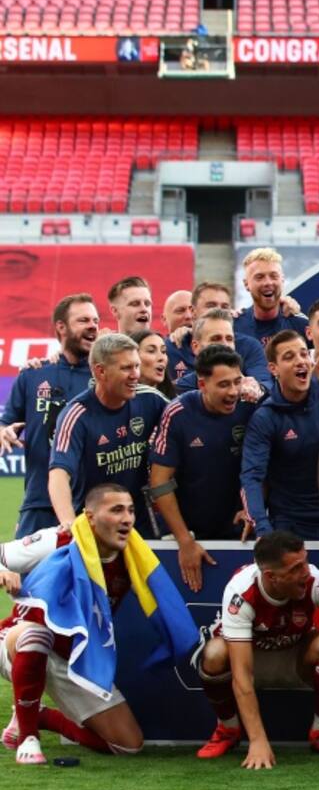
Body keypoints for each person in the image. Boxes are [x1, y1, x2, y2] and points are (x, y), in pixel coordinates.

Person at [0, 484, 195, 764]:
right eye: (116, 510)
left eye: (130, 510)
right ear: (90, 517)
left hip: (73, 657)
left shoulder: (133, 555)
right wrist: (4, 572)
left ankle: (37, 715)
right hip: (16, 641)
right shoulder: (60, 539)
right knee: (36, 635)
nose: (127, 518)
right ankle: (28, 737)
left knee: (128, 745)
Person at [194, 531, 319, 768]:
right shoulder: (241, 592)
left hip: (295, 656)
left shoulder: (315, 580)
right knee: (214, 653)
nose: (306, 572)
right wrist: (258, 741)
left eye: (305, 561)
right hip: (251, 661)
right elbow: (242, 676)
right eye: (296, 568)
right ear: (271, 577)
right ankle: (229, 729)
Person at [148, 346, 257, 590]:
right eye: (223, 385)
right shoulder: (177, 413)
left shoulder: (250, 405)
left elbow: (264, 466)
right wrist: (184, 540)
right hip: (191, 531)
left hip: (240, 530)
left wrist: (253, 508)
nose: (233, 392)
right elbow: (159, 482)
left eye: (237, 382)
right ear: (202, 384)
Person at [48, 334, 169, 536]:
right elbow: (59, 473)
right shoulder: (76, 415)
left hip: (140, 529)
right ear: (100, 371)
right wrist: (69, 523)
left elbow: (185, 420)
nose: (135, 375)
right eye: (126, 368)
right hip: (94, 530)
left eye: (136, 366)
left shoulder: (150, 399)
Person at [1, 294, 98, 535]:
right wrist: (3, 432)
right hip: (39, 502)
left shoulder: (103, 378)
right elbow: (6, 422)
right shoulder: (32, 375)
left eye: (95, 320)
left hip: (93, 505)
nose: (92, 326)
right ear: (61, 327)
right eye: (83, 320)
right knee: (29, 573)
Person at [241, 330, 319, 541]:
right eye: (289, 357)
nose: (300, 361)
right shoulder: (265, 417)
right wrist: (262, 528)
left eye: (303, 354)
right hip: (289, 526)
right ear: (273, 369)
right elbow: (252, 477)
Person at [164, 282, 271, 387]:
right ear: (193, 311)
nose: (218, 310)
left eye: (224, 307)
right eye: (211, 305)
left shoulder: (249, 346)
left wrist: (256, 387)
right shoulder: (172, 346)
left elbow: (264, 384)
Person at [174, 309, 266, 401]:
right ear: (196, 347)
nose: (225, 345)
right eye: (216, 339)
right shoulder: (180, 391)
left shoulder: (249, 393)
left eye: (229, 339)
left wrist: (258, 390)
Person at [236, 247, 308, 346]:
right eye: (259, 277)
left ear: (282, 280)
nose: (268, 282)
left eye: (274, 276)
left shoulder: (301, 324)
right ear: (246, 284)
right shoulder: (234, 326)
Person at [130, 329, 176, 401]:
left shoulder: (178, 403)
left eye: (163, 351)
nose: (161, 358)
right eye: (151, 351)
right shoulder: (118, 400)